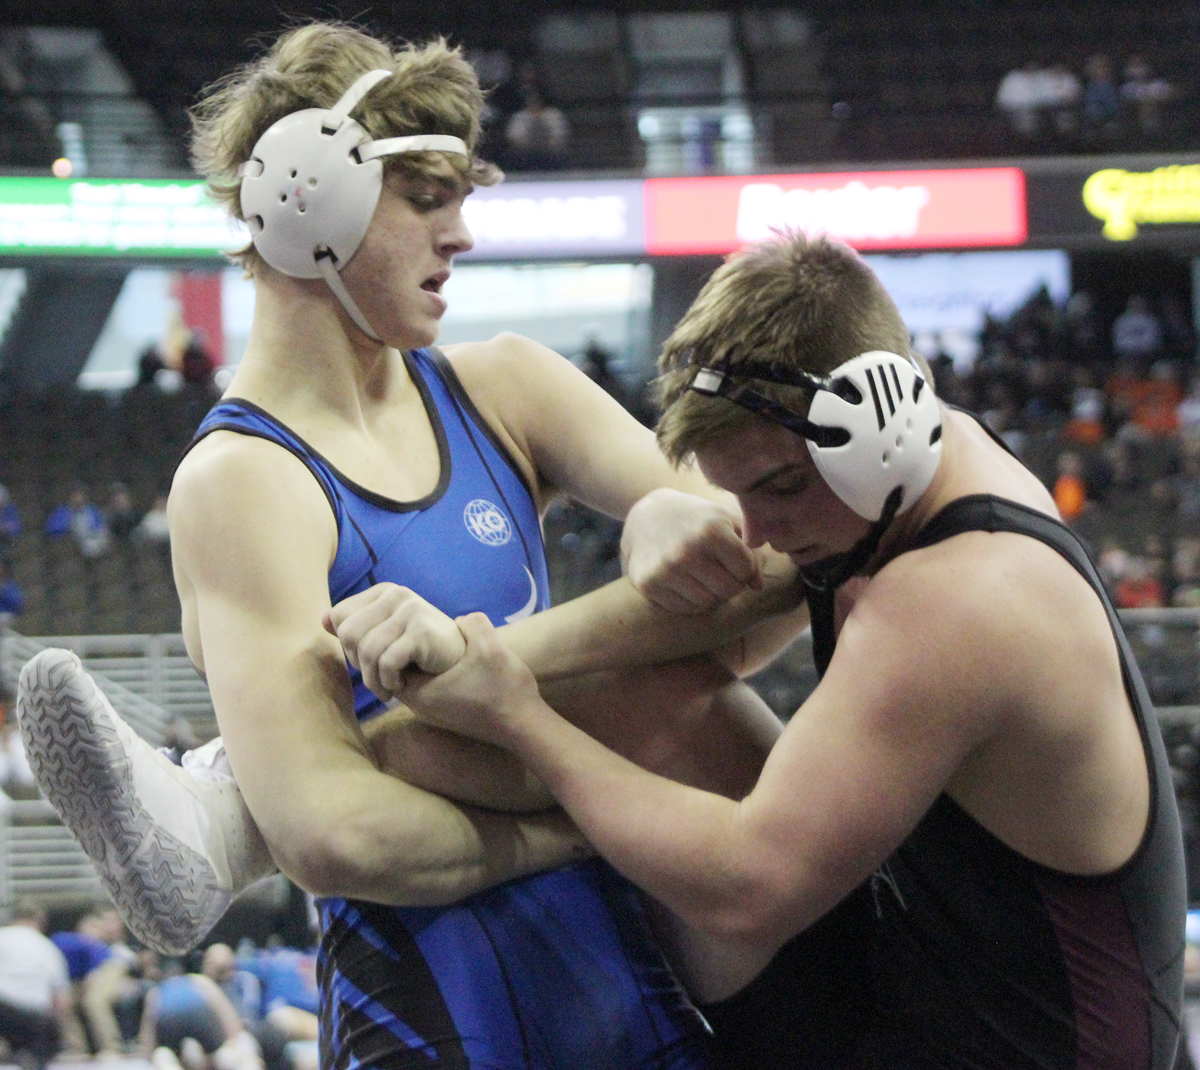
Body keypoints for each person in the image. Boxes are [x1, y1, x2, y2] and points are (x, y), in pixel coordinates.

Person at [16, 22, 801, 1070]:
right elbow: (336, 831)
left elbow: (783, 556)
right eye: (428, 199)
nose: (463, 235)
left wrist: (656, 523)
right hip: (435, 1019)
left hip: (637, 987)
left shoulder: (505, 385)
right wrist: (617, 808)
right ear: (309, 207)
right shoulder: (244, 482)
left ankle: (217, 807)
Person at [382, 234, 1186, 1069]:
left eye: (778, 488)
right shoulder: (923, 469)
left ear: (884, 429)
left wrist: (518, 719)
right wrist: (497, 645)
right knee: (638, 694)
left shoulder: (954, 602)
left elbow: (745, 893)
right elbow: (730, 620)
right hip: (946, 974)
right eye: (736, 494)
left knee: (610, 724)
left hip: (1015, 1049)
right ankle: (306, 779)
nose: (756, 530)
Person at [0, 901, 70, 1070]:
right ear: (39, 922)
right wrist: (60, 1035)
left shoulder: (2, 937)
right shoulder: (48, 947)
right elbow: (61, 1000)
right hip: (35, 1014)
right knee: (37, 1057)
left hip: (3, 1006)